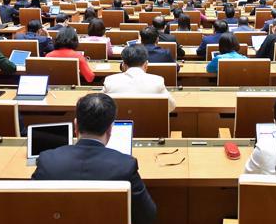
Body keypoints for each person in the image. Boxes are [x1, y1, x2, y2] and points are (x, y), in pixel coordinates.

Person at [32, 93, 156, 223]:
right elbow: (147, 216)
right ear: (110, 129)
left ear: (76, 126)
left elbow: (30, 208)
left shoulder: (47, 161)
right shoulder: (125, 165)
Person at [103, 44, 175, 111]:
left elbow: (101, 105)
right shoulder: (158, 81)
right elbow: (171, 106)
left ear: (123, 65)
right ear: (146, 64)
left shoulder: (109, 80)